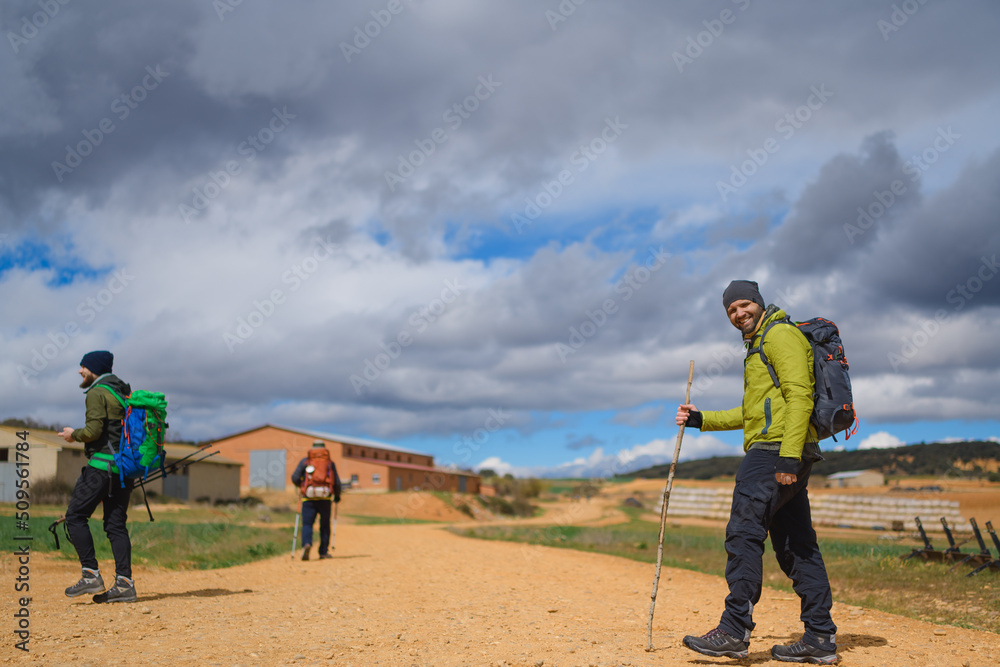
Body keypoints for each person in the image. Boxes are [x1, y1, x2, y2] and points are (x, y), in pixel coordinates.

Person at [677, 280, 838, 664]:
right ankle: (819, 637)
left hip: (773, 454)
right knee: (797, 546)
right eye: (731, 310)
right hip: (784, 450)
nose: (738, 313)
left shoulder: (779, 335)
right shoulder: (759, 344)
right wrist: (703, 419)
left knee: (743, 535)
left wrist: (787, 458)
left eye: (744, 305)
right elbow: (753, 412)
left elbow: (800, 396)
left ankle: (734, 630)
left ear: (759, 303)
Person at [58, 350, 138, 603]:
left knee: (75, 516)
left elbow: (93, 431)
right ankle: (124, 584)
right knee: (115, 525)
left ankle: (90, 575)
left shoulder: (97, 392)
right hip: (123, 469)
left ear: (94, 369)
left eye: (83, 367)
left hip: (101, 467)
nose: (80, 370)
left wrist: (73, 435)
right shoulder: (122, 392)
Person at [291, 440, 342, 560]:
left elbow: (295, 477)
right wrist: (337, 496)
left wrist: (302, 486)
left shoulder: (305, 461)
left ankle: (307, 544)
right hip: (325, 498)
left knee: (307, 524)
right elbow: (337, 482)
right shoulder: (329, 463)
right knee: (324, 525)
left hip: (308, 498)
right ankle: (323, 552)